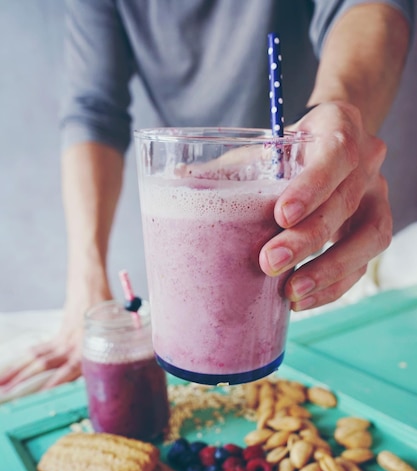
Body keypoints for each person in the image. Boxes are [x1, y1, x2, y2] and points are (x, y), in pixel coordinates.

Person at [0, 0, 413, 392]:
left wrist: (341, 133)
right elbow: (93, 109)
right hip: (185, 172)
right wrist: (86, 282)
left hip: (298, 171)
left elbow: (368, 7)